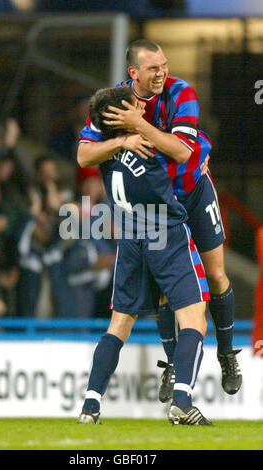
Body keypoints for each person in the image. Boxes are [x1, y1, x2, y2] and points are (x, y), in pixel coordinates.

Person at [99, 39, 242, 401]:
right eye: (153, 68)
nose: (162, 72)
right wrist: (120, 140)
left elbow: (183, 149)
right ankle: (175, 365)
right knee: (166, 290)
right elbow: (89, 146)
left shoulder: (182, 91)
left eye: (164, 64)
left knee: (216, 274)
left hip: (193, 190)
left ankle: (226, 353)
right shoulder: (116, 100)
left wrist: (138, 126)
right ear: (134, 73)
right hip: (158, 205)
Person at [77, 85, 212, 426]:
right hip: (166, 235)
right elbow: (187, 155)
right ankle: (182, 401)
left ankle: (90, 407)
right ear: (125, 114)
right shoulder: (149, 144)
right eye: (134, 105)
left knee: (119, 324)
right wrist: (202, 155)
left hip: (130, 240)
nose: (140, 106)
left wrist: (121, 140)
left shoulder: (104, 150)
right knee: (194, 317)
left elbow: (83, 156)